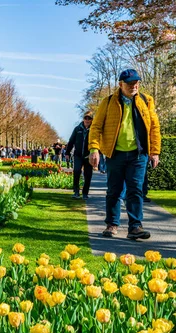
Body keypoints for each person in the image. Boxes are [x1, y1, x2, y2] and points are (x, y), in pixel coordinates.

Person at [89, 69, 161, 240]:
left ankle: (135, 227)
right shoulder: (108, 102)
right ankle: (112, 224)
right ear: (120, 84)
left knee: (135, 190)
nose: (134, 85)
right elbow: (96, 127)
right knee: (114, 190)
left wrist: (155, 151)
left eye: (136, 82)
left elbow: (154, 127)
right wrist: (94, 149)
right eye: (129, 83)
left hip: (138, 154)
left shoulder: (146, 100)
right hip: (116, 154)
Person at [67, 111, 94, 200]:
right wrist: (67, 152)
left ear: (91, 120)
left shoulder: (94, 129)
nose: (87, 120)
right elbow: (71, 141)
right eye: (85, 118)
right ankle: (76, 191)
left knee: (88, 174)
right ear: (83, 119)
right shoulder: (77, 129)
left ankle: (85, 193)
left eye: (89, 118)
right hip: (78, 155)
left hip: (88, 156)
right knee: (77, 171)